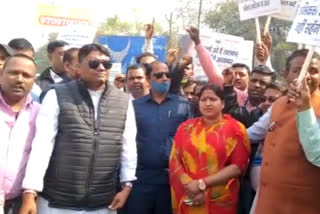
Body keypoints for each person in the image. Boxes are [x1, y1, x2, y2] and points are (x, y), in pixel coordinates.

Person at [20, 43, 137, 214]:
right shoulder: (57, 95)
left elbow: (128, 148)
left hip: (103, 203)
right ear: (78, 67)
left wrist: (127, 185)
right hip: (58, 203)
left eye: (106, 64)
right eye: (94, 63)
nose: (101, 68)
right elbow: (42, 146)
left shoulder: (124, 101)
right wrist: (30, 192)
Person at [247, 49, 320, 214]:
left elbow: (317, 155)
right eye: (297, 70)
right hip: (266, 202)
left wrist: (305, 107)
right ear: (286, 75)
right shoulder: (278, 104)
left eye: (314, 71)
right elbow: (253, 133)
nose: (306, 75)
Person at [122, 61, 192, 214]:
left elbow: (191, 140)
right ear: (149, 78)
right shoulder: (135, 106)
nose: (164, 78)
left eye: (168, 75)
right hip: (141, 179)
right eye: (159, 75)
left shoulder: (182, 104)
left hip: (172, 179)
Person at [169, 84, 250, 214]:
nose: (207, 103)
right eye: (203, 100)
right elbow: (175, 160)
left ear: (222, 103)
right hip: (189, 195)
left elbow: (237, 167)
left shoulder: (235, 129)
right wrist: (190, 186)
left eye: (213, 99)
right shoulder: (185, 128)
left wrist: (202, 184)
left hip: (220, 198)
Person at [0, 54, 40, 214]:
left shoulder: (41, 113)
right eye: (13, 73)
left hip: (20, 203)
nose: (19, 79)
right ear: (1, 74)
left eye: (26, 75)